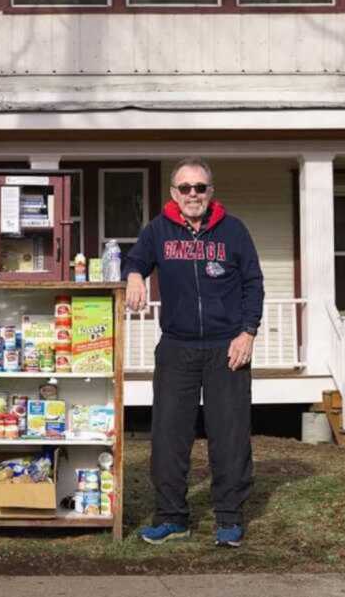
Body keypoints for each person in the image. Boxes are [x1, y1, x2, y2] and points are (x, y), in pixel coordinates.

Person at [123, 158, 264, 548]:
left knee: (229, 435)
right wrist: (135, 274)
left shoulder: (233, 231)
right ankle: (171, 517)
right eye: (185, 188)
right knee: (169, 435)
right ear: (174, 193)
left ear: (210, 192)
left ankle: (229, 518)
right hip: (177, 347)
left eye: (200, 188)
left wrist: (247, 332)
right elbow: (134, 259)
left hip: (227, 348)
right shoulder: (158, 231)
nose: (192, 195)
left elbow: (254, 283)